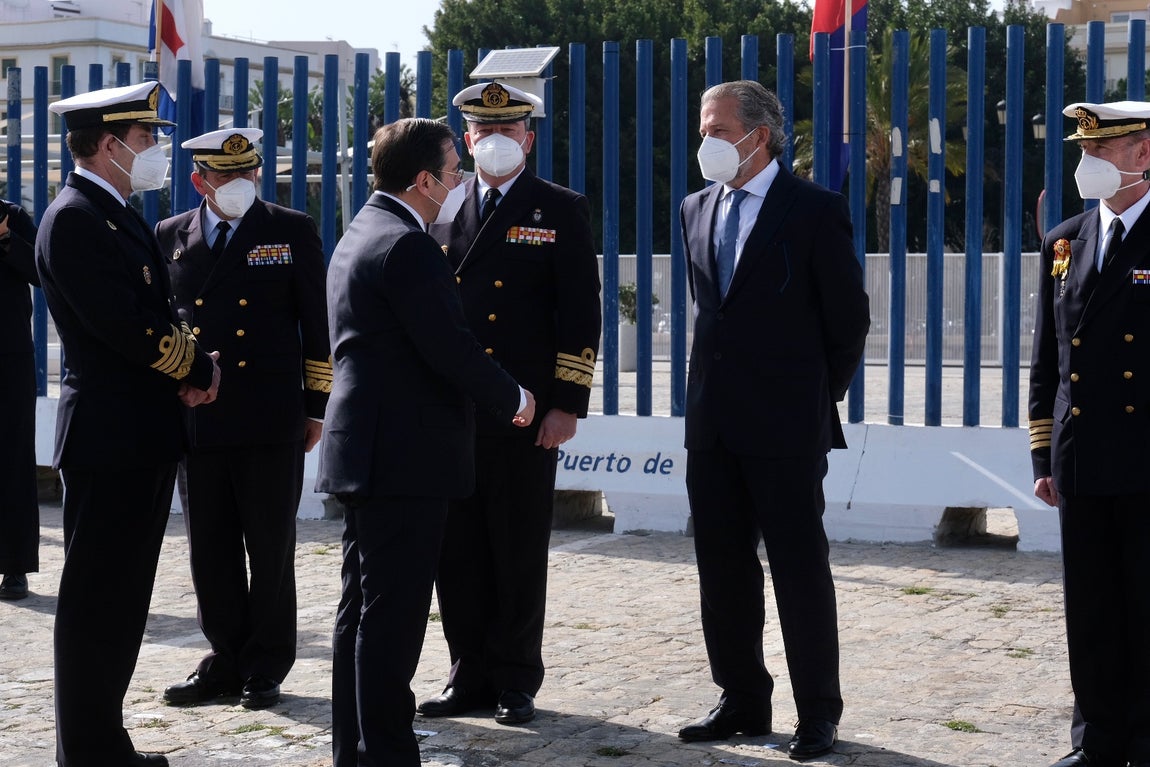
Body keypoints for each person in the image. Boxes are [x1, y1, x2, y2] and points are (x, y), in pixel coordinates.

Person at [317, 117, 536, 767]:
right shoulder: (408, 245)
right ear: (422, 181)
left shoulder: (362, 230)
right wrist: (515, 398)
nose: (459, 181)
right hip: (405, 455)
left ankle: (354, 748)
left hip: (368, 447)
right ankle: (387, 751)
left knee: (360, 609)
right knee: (392, 618)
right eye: (451, 171)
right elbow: (450, 347)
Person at [674, 80, 869, 760]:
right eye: (703, 129)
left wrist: (812, 397)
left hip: (786, 425)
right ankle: (742, 697)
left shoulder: (814, 209)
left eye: (719, 130)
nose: (707, 143)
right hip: (714, 423)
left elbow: (847, 322)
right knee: (721, 567)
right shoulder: (694, 207)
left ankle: (818, 710)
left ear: (760, 135)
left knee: (798, 568)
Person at [35, 81, 221, 767]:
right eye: (147, 139)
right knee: (96, 605)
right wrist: (197, 369)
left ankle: (101, 741)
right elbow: (126, 326)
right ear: (110, 144)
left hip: (137, 432)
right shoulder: (78, 217)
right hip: (110, 438)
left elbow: (156, 316)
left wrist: (188, 371)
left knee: (119, 604)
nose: (158, 151)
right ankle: (87, 751)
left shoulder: (113, 211)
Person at [419, 80, 602, 727]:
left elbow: (581, 314)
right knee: (457, 550)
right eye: (481, 130)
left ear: (529, 136)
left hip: (526, 411)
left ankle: (517, 677)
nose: (494, 140)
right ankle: (467, 671)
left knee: (517, 548)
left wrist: (567, 402)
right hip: (455, 409)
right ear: (465, 138)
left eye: (509, 129)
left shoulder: (559, 208)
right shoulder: (443, 207)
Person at [155, 128, 330, 710]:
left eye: (248, 173)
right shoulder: (170, 235)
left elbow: (317, 326)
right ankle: (225, 658)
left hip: (270, 414)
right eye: (225, 177)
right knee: (210, 546)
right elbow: (164, 323)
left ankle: (265, 665)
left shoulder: (289, 228)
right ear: (199, 180)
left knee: (270, 544)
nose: (239, 186)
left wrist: (315, 406)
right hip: (198, 417)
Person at [1029, 100, 1150, 767]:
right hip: (1081, 457)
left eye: (1103, 150)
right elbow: (1048, 358)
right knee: (1091, 608)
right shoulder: (1065, 239)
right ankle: (1096, 738)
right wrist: (1043, 451)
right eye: (1084, 149)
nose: (1088, 162)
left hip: (1145, 455)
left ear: (1144, 155)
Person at [0, 199, 40, 601]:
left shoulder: (11, 215)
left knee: (12, 458)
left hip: (8, 358)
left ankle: (14, 567)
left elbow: (44, 273)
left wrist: (7, 239)